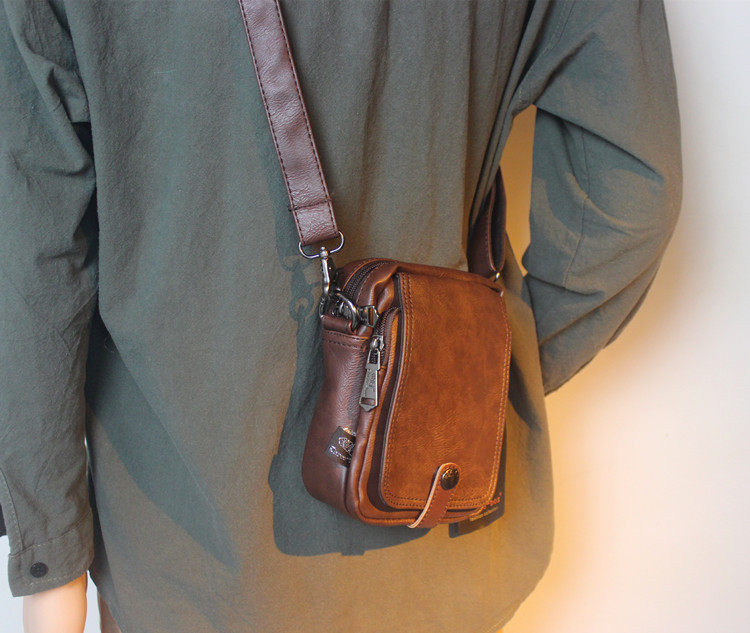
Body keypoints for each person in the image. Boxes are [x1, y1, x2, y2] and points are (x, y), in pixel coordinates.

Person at [0, 1, 682, 632]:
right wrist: (469, 388)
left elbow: (32, 254)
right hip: (447, 549)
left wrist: (51, 558)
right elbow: (631, 196)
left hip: (185, 558)